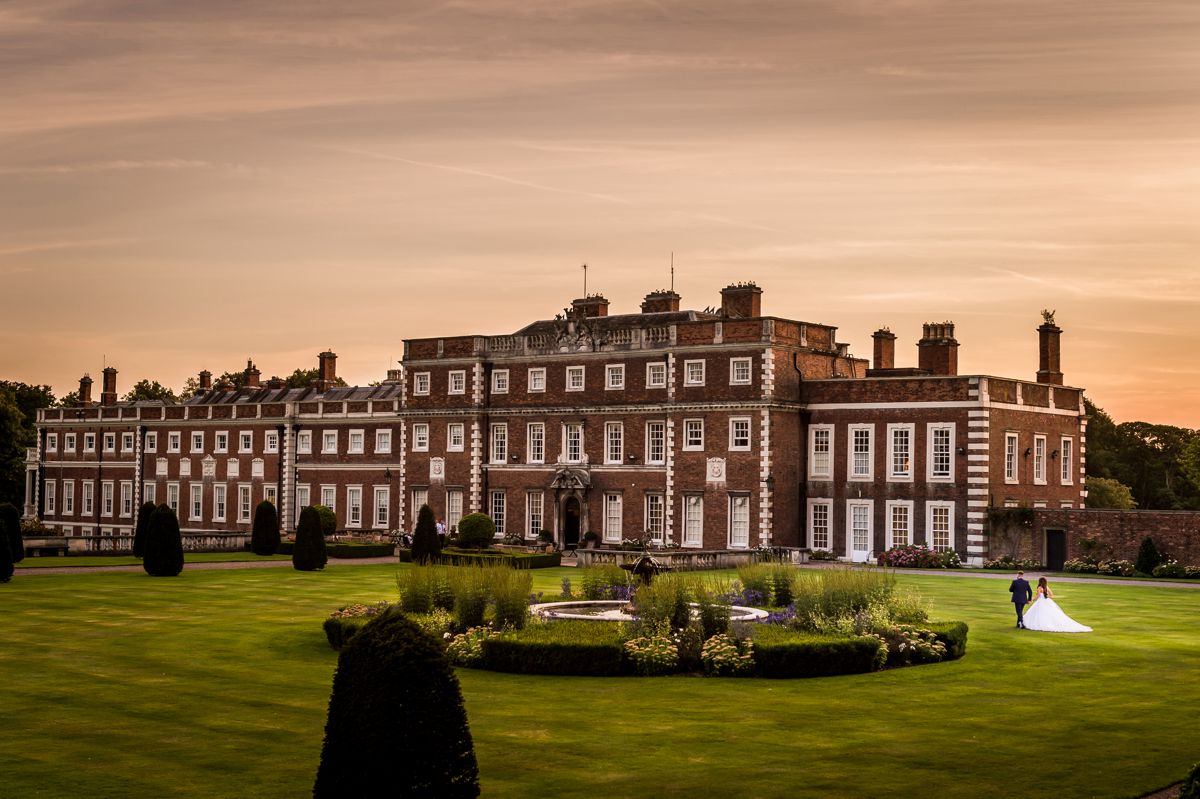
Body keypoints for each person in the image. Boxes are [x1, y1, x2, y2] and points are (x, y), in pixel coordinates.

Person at [1022, 577, 1093, 633]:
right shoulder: (1046, 587)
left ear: (1040, 582)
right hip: (1047, 601)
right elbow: (1051, 595)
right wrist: (1046, 597)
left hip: (1041, 602)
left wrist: (1031, 600)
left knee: (1040, 613)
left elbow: (1037, 596)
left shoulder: (1039, 588)